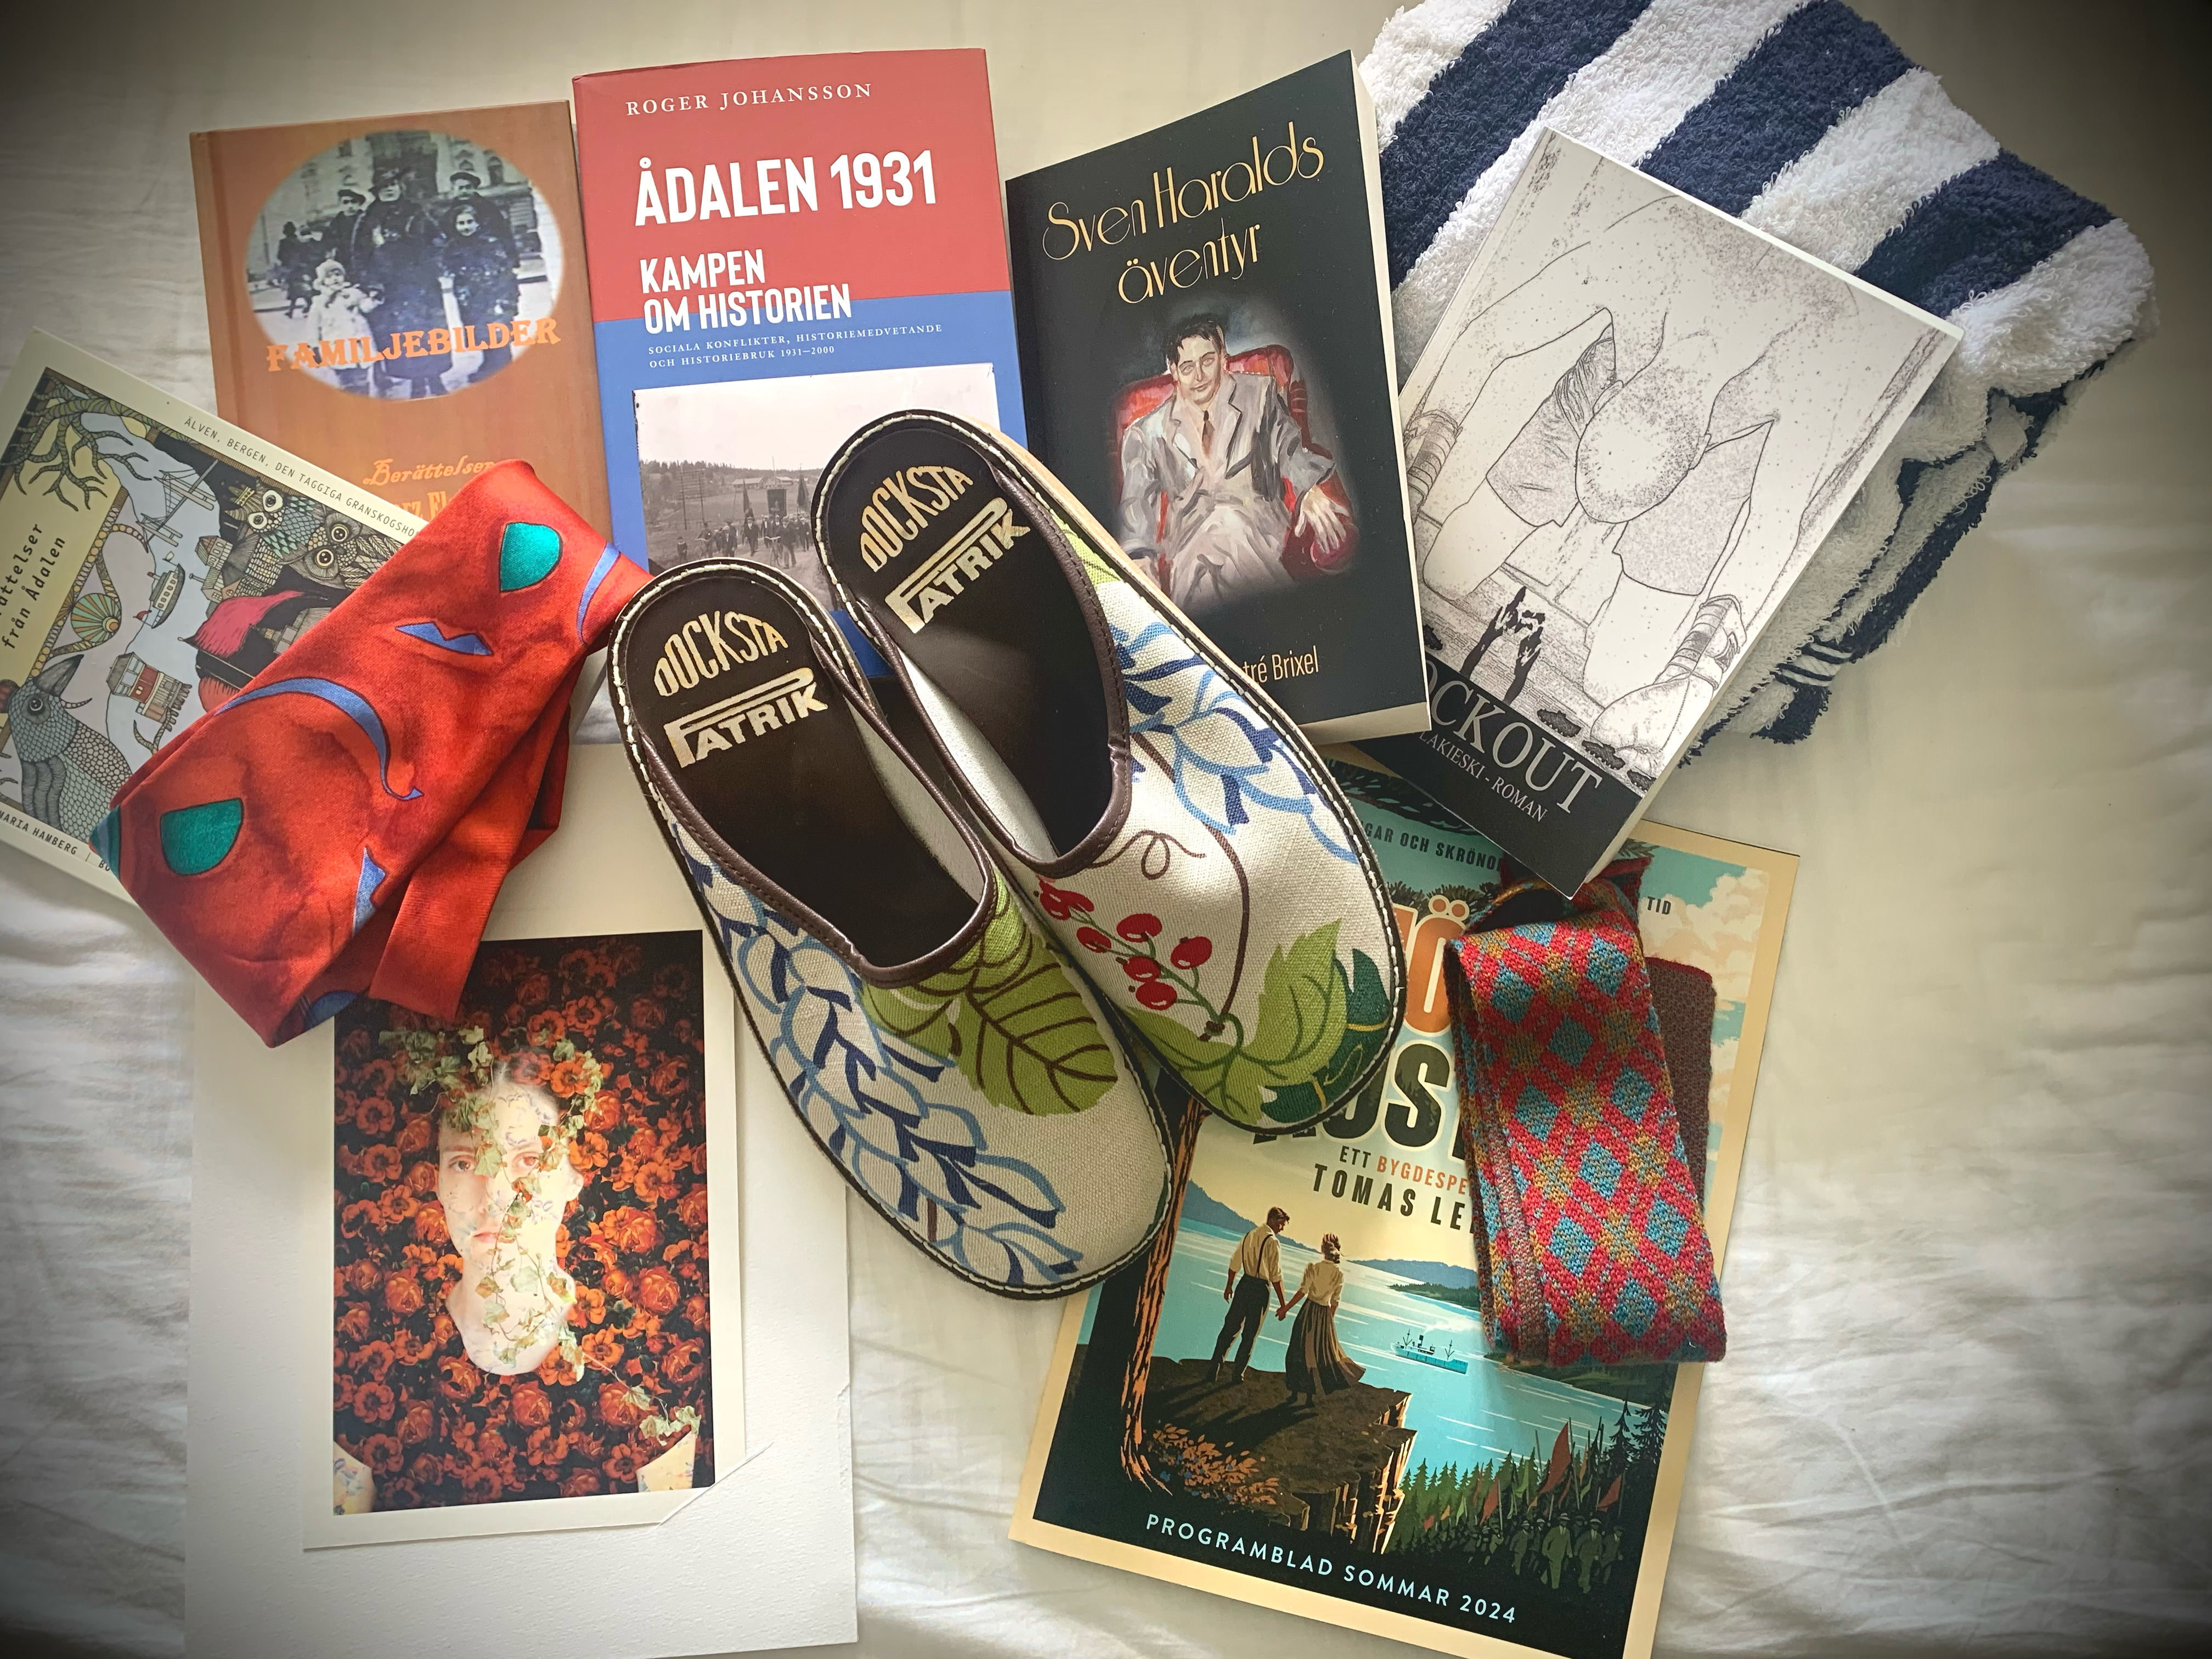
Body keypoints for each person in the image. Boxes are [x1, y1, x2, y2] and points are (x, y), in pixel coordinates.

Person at [1116, 315, 1348, 617]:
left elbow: (1290, 449)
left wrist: (1310, 489)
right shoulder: (1145, 433)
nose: (1199, 376)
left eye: (1207, 361)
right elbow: (1136, 514)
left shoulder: (1260, 395)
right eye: (1187, 367)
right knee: (1210, 550)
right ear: (1173, 371)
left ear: (1223, 356)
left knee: (1224, 532)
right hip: (1187, 547)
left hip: (1257, 526)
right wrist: (1140, 561)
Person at [359, 166, 450, 398]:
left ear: (400, 186)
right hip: (392, 288)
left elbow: (438, 241)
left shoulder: (416, 212)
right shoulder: (370, 219)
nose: (389, 190)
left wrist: (429, 264)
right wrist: (372, 283)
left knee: (431, 333)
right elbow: (360, 254)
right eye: (383, 187)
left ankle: (436, 378)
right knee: (405, 337)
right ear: (377, 192)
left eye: (392, 185)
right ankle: (417, 382)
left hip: (422, 284)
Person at [1277, 1231, 1364, 1407]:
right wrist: (1329, 1323)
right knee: (1316, 1356)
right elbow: (1335, 1303)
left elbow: (1302, 1292)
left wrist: (1286, 1308)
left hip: (1309, 1311)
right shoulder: (1339, 1275)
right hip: (1324, 1315)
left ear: (1323, 1250)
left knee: (1298, 1350)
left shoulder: (1314, 1268)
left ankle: (1295, 1393)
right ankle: (1310, 1398)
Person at [1206, 1205, 1288, 1383]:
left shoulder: (1249, 1235)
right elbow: (1276, 1276)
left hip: (1244, 1285)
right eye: (1281, 1224)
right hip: (1260, 1289)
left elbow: (1235, 1263)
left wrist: (1229, 1286)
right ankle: (1237, 1375)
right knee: (1250, 1335)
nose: (1282, 1228)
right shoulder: (1273, 1242)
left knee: (1230, 1328)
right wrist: (1283, 1305)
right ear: (1272, 1220)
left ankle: (1214, 1368)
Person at [442, 200, 520, 384]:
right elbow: (449, 268)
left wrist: (506, 299)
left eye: (470, 222)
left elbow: (505, 272)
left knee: (499, 335)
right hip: (471, 299)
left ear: (478, 223)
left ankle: (504, 372)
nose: (466, 227)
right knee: (482, 335)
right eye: (461, 223)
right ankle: (489, 365)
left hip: (494, 296)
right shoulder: (453, 247)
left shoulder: (491, 243)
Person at [302, 256, 377, 393]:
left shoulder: (353, 294)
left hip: (359, 345)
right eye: (329, 277)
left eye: (338, 274)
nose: (335, 279)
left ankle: (364, 400)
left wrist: (374, 299)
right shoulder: (320, 302)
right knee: (345, 382)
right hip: (337, 348)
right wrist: (314, 346)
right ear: (323, 281)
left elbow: (366, 307)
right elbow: (313, 326)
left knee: (362, 378)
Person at [275, 220, 313, 318]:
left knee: (294, 290)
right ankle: (306, 306)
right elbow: (305, 255)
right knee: (301, 289)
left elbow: (280, 256)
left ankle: (292, 310)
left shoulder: (284, 243)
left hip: (290, 269)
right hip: (301, 269)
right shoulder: (299, 242)